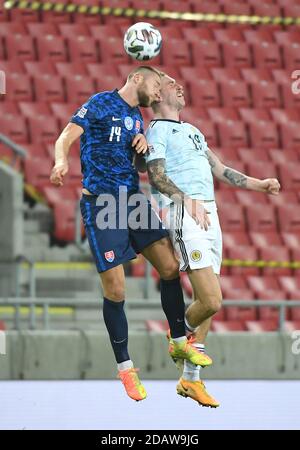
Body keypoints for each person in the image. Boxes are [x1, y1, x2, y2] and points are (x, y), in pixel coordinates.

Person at [50, 66, 210, 402]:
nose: (157, 93)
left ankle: (179, 341)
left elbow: (138, 167)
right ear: (136, 78)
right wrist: (60, 161)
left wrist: (140, 152)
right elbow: (66, 135)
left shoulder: (139, 120)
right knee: (117, 289)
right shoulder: (99, 103)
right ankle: (125, 368)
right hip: (103, 203)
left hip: (133, 199)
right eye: (155, 85)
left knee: (169, 266)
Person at [145, 73, 281, 407]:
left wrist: (258, 184)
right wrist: (186, 201)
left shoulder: (192, 131)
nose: (180, 85)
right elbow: (155, 175)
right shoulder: (157, 130)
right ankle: (178, 332)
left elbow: (220, 170)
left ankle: (191, 381)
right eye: (171, 83)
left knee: (211, 302)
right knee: (212, 300)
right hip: (185, 211)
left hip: (210, 214)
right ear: (157, 93)